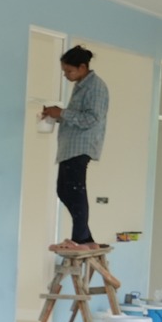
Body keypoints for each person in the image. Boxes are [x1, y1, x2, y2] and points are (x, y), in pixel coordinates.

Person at [41, 45, 108, 253]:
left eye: (69, 71)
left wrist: (62, 112)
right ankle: (86, 238)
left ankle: (80, 238)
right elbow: (78, 118)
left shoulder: (95, 87)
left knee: (76, 191)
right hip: (71, 147)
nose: (66, 75)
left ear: (82, 67)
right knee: (64, 190)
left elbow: (92, 119)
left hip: (81, 147)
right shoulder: (82, 85)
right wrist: (56, 115)